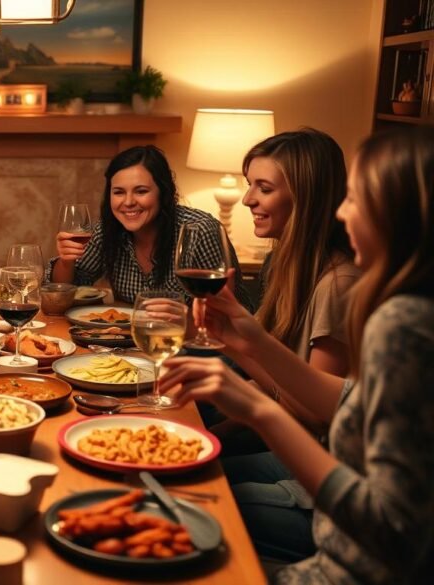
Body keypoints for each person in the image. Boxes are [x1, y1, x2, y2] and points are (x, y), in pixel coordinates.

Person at [158, 125, 434, 584]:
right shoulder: (397, 305)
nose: (341, 211)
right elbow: (345, 401)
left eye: (356, 198)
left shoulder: (402, 321)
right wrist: (246, 341)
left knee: (177, 506)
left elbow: (391, 533)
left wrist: (259, 410)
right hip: (332, 532)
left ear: (399, 215)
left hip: (338, 561)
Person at [214, 129, 361, 562]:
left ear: (306, 197)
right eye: (250, 185)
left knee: (198, 499)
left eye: (264, 188)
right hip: (298, 453)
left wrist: (236, 348)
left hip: (328, 480)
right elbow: (271, 380)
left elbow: (313, 416)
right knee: (179, 471)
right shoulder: (285, 262)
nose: (248, 200)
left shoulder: (338, 283)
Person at [48, 145, 253, 309]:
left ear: (163, 192)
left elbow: (227, 310)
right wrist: (66, 262)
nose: (128, 202)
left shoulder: (199, 231)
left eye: (141, 191)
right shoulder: (107, 230)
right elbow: (66, 290)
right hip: (135, 338)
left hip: (201, 341)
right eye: (119, 192)